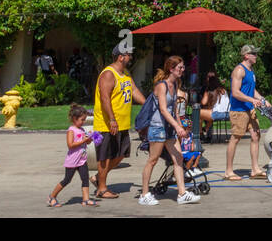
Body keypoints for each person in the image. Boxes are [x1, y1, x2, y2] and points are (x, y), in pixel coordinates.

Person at [137, 56, 200, 205]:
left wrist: (181, 128)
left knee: (178, 159)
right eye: (180, 68)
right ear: (171, 69)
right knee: (152, 160)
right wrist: (177, 127)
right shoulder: (162, 85)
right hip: (158, 127)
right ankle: (144, 195)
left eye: (183, 67)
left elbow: (175, 111)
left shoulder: (175, 84)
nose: (183, 70)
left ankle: (182, 194)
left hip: (170, 129)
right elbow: (164, 110)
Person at [93, 44, 146, 199]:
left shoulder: (125, 73)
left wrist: (149, 104)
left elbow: (134, 90)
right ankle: (101, 189)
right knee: (104, 156)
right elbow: (104, 98)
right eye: (129, 54)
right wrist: (112, 119)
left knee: (121, 154)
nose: (131, 57)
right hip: (106, 124)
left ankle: (98, 178)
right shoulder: (108, 74)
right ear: (120, 57)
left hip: (122, 124)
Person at [224, 44, 271, 181]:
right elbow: (235, 92)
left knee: (256, 136)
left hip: (249, 109)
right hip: (239, 111)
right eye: (254, 54)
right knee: (236, 138)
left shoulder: (251, 71)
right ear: (246, 56)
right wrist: (252, 100)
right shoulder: (239, 70)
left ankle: (255, 169)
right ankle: (228, 171)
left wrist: (262, 100)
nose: (256, 56)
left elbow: (252, 90)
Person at [47, 105, 95, 207]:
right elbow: (70, 145)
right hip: (72, 161)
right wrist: (83, 140)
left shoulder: (82, 129)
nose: (83, 122)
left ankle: (86, 199)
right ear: (74, 118)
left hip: (82, 160)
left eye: (84, 120)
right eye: (82, 120)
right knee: (67, 180)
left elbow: (86, 143)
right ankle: (52, 197)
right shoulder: (71, 130)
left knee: (85, 179)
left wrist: (89, 139)